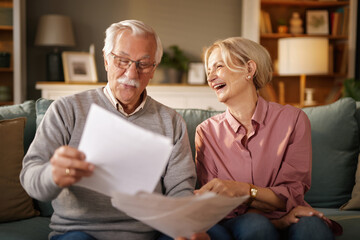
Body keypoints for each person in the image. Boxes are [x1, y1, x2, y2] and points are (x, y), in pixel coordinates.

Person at [20, 19, 207, 240]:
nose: (131, 73)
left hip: (147, 235)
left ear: (153, 69)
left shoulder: (171, 122)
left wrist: (184, 225)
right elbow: (30, 177)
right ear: (106, 60)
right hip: (79, 232)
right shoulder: (66, 110)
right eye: (122, 60)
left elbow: (180, 191)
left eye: (143, 64)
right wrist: (52, 174)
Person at [194, 37, 337, 240]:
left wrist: (242, 190)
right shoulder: (206, 133)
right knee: (255, 225)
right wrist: (276, 221)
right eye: (209, 71)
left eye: (219, 66)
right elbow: (216, 204)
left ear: (249, 69)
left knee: (312, 227)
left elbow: (291, 193)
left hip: (290, 213)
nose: (211, 77)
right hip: (238, 223)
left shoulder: (293, 120)